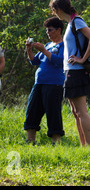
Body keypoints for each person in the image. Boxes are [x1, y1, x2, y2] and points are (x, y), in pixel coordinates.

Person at [49, 0, 90, 146]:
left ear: (59, 9)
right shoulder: (71, 23)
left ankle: (89, 146)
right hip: (70, 70)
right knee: (75, 112)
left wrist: (82, 59)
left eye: (54, 10)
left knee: (81, 111)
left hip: (77, 70)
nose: (54, 13)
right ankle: (83, 145)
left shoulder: (77, 21)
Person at [24, 17, 65, 145]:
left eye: (50, 30)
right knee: (32, 110)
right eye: (46, 30)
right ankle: (30, 140)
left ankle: (56, 141)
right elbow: (34, 61)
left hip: (54, 83)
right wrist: (29, 49)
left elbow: (59, 62)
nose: (48, 33)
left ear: (59, 30)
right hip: (39, 83)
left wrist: (44, 50)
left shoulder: (63, 45)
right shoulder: (48, 45)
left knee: (53, 112)